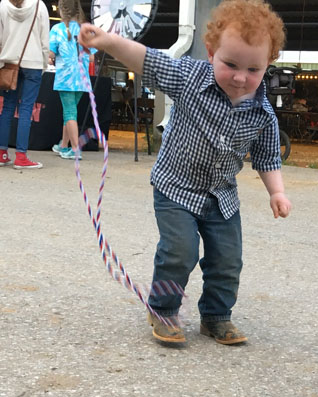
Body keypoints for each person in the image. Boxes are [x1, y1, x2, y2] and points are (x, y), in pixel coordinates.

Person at [78, 0, 292, 346]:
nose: (240, 77)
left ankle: (217, 316)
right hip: (176, 188)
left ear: (269, 62)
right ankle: (163, 309)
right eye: (230, 64)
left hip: (221, 197)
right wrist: (108, 41)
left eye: (253, 69)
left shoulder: (263, 114)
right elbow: (148, 60)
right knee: (180, 251)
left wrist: (277, 192)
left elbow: (267, 157)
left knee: (228, 259)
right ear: (211, 52)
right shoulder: (190, 77)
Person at [0, 0, 47, 169]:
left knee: (7, 108)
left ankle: (2, 154)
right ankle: (21, 156)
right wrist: (43, 63)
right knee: (26, 109)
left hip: (10, 62)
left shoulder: (4, 4)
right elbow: (44, 40)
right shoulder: (39, 5)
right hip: (33, 62)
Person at [47, 0, 95, 160]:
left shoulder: (57, 29)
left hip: (65, 78)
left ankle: (75, 149)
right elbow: (92, 57)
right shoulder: (86, 30)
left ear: (61, 11)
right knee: (70, 112)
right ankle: (63, 145)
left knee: (69, 113)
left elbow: (50, 54)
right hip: (82, 79)